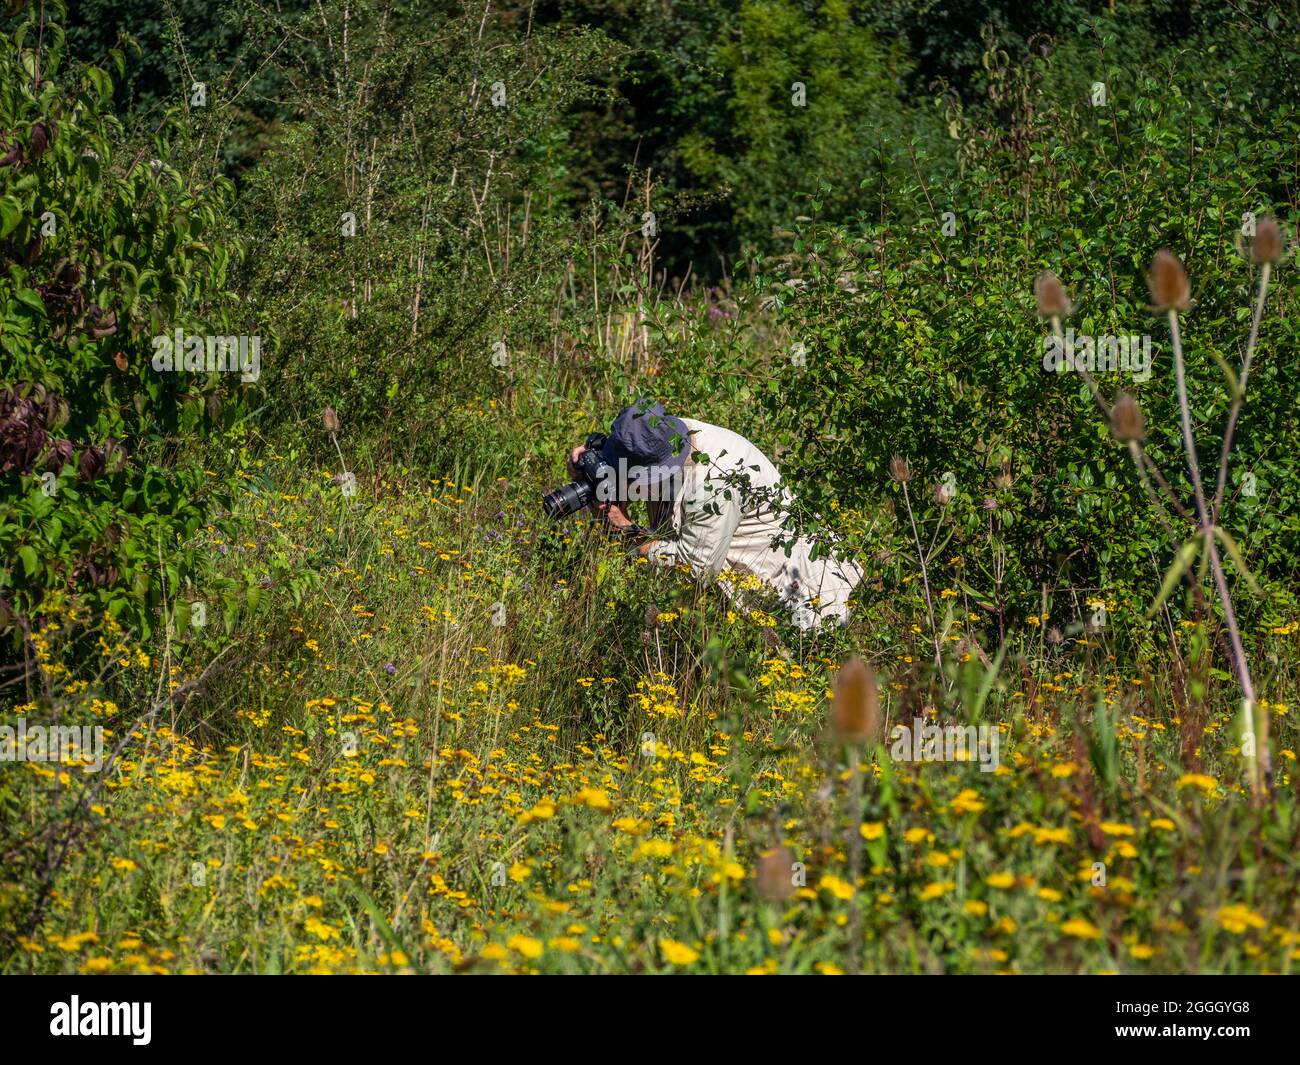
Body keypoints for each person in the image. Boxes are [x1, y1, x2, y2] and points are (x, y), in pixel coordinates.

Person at [567, 400, 862, 630]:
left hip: (806, 598)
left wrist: (627, 530)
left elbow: (696, 570)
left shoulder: (712, 485)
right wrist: (592, 476)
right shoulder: (663, 437)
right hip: (742, 592)